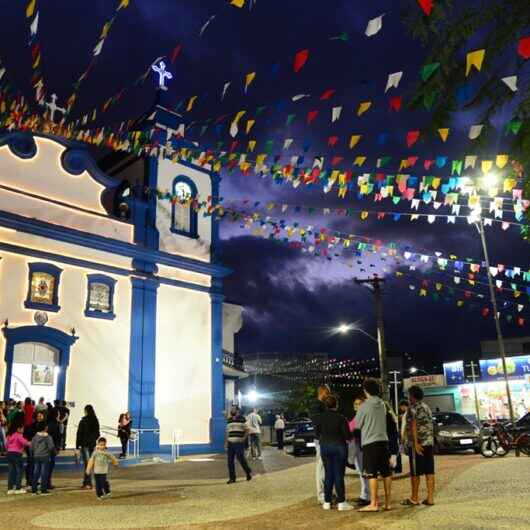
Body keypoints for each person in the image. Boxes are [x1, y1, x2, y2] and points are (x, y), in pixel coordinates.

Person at [355, 378, 392, 512]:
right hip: (383, 441)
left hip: (370, 443)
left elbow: (357, 425)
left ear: (366, 390)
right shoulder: (382, 404)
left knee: (372, 474)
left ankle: (374, 503)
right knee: (386, 473)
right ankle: (388, 503)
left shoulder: (364, 405)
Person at [312, 394, 353, 511]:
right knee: (338, 475)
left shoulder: (320, 418)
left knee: (328, 474)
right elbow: (347, 436)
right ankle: (341, 502)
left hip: (325, 447)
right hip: (339, 447)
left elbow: (317, 433)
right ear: (337, 405)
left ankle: (327, 502)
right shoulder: (341, 418)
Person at [402, 385, 435, 507]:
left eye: (409, 395)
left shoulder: (413, 408)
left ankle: (414, 498)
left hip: (418, 444)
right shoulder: (427, 407)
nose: (408, 397)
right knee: (429, 471)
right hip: (429, 443)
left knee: (415, 472)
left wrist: (415, 443)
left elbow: (413, 425)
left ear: (412, 396)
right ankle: (430, 498)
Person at [348, 395, 370, 507]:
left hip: (362, 447)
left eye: (359, 404)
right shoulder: (356, 416)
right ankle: (364, 495)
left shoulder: (363, 416)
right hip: (356, 446)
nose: (357, 406)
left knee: (364, 472)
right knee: (361, 472)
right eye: (355, 404)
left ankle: (367, 496)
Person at [309, 385, 330, 504]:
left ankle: (325, 493)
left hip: (322, 439)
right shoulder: (318, 406)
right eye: (327, 393)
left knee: (324, 467)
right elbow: (318, 424)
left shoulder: (317, 406)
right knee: (321, 467)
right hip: (322, 440)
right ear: (322, 392)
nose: (328, 396)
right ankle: (321, 495)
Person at [76, 405, 100, 490]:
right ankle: (86, 482)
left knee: (87, 464)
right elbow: (98, 434)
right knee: (90, 464)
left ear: (86, 411)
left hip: (84, 445)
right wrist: (93, 439)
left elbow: (79, 434)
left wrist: (77, 446)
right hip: (92, 445)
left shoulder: (83, 421)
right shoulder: (95, 420)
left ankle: (88, 483)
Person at [225, 406, 252, 484]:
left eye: (233, 409)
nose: (231, 410)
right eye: (231, 409)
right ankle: (232, 478)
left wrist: (243, 439)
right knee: (230, 461)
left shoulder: (242, 419)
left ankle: (248, 472)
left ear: (237, 411)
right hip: (230, 443)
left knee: (241, 459)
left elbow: (247, 430)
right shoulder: (229, 420)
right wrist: (226, 442)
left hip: (239, 443)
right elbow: (227, 432)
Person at [30, 422, 55, 495]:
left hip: (36, 456)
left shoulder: (35, 437)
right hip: (45, 456)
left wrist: (33, 454)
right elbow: (51, 447)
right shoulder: (48, 437)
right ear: (45, 428)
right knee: (44, 473)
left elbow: (31, 447)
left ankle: (34, 489)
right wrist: (53, 453)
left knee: (36, 472)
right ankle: (43, 489)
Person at [5, 422, 30, 494]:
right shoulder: (19, 435)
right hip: (16, 454)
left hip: (9, 453)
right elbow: (25, 443)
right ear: (18, 429)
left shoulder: (11, 435)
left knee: (11, 471)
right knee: (19, 471)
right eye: (22, 429)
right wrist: (31, 442)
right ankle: (18, 488)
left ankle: (10, 488)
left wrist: (9, 450)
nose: (23, 430)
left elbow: (6, 445)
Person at [46, 408, 62, 490]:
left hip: (49, 448)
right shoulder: (54, 424)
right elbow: (55, 437)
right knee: (49, 466)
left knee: (48, 466)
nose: (59, 415)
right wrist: (56, 447)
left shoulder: (50, 424)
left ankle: (47, 482)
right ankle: (47, 483)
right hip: (51, 448)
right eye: (58, 413)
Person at [395, 399, 409, 474]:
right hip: (407, 437)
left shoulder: (407, 414)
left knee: (409, 453)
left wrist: (403, 436)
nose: (400, 409)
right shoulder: (407, 414)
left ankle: (413, 470)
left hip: (406, 437)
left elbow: (405, 426)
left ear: (404, 406)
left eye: (401, 407)